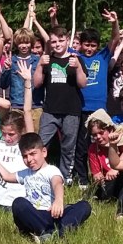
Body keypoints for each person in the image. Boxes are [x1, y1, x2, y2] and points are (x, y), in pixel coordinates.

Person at [0, 132, 92, 243]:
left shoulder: (51, 170)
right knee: (18, 203)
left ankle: (55, 233)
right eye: (25, 156)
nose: (29, 159)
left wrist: (58, 200)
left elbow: (57, 184)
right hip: (35, 215)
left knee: (84, 206)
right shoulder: (26, 173)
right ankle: (51, 233)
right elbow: (7, 176)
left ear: (44, 152)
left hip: (52, 214)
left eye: (33, 154)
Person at [33, 26, 88, 185]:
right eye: (54, 41)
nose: (57, 44)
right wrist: (39, 65)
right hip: (50, 109)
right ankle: (37, 173)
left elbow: (83, 83)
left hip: (71, 110)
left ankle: (64, 178)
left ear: (67, 40)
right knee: (41, 142)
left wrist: (77, 67)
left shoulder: (76, 58)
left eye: (61, 40)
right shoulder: (47, 59)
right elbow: (36, 83)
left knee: (68, 147)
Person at [74, 11, 121, 187]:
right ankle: (83, 180)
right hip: (81, 108)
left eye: (93, 45)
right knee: (81, 146)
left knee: (103, 143)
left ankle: (105, 173)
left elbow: (115, 38)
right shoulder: (76, 58)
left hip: (100, 110)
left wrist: (114, 22)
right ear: (81, 45)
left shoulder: (102, 56)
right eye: (86, 45)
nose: (89, 49)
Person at [86, 110, 123, 201]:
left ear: (110, 130)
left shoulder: (121, 142)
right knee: (99, 191)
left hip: (122, 178)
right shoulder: (93, 148)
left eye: (101, 132)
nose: (98, 137)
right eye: (95, 135)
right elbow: (96, 172)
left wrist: (115, 169)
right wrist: (97, 176)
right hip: (107, 180)